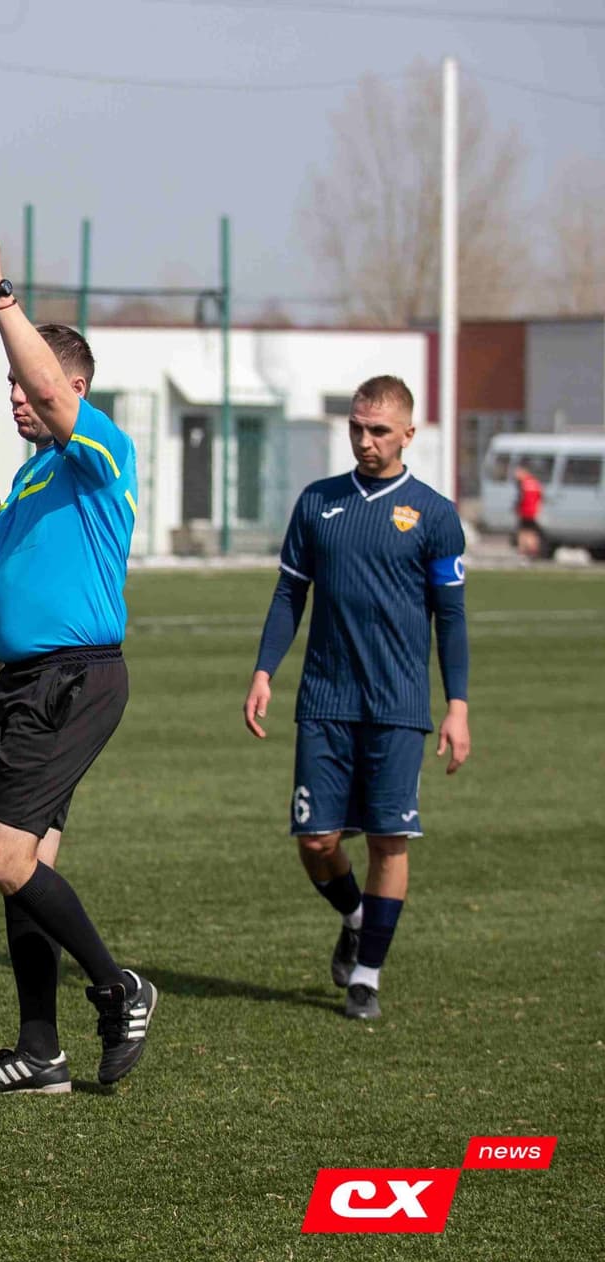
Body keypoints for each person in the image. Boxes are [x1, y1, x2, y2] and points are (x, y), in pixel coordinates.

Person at [0, 229, 155, 1095]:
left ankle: (118, 987)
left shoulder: (98, 452)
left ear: (71, 391)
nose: (19, 402)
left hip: (76, 678)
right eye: (12, 390)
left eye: (30, 387)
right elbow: (14, 600)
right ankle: (40, 1052)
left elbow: (56, 401)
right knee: (26, 869)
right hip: (29, 681)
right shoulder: (29, 483)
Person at [243, 375, 470, 1021]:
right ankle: (355, 915)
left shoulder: (434, 514)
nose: (365, 441)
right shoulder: (318, 502)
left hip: (398, 705)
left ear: (408, 433)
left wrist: (457, 706)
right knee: (315, 840)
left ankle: (367, 974)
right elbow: (290, 594)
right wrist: (264, 671)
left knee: (388, 841)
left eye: (378, 431)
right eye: (356, 428)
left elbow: (450, 618)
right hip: (324, 700)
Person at [513, 463, 544, 559]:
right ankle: (533, 551)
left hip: (525, 511)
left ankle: (523, 552)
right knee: (532, 532)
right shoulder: (535, 482)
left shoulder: (523, 483)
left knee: (523, 532)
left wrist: (516, 508)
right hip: (534, 512)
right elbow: (541, 497)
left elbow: (521, 499)